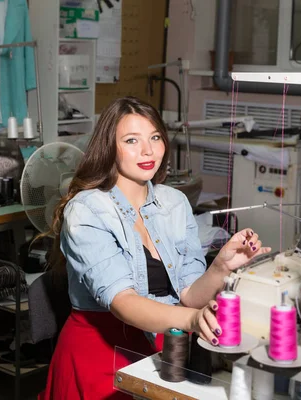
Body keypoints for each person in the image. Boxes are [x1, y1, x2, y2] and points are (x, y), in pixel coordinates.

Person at [39, 96, 270, 399]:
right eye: (132, 140)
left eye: (155, 137)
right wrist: (191, 319)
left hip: (164, 347)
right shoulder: (87, 210)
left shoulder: (174, 203)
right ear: (110, 147)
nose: (148, 150)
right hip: (99, 354)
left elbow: (189, 293)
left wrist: (221, 267)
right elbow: (122, 302)